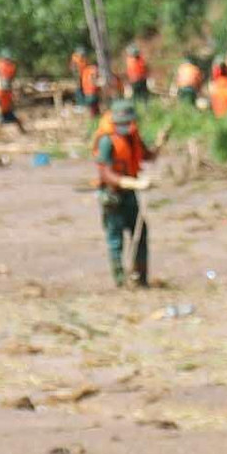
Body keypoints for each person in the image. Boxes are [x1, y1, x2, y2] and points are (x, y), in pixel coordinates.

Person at [93, 98, 158, 288]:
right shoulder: (107, 140)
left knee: (140, 232)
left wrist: (159, 145)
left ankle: (141, 277)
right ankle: (121, 281)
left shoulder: (133, 136)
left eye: (129, 122)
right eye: (122, 123)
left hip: (130, 195)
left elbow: (146, 156)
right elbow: (105, 173)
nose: (126, 126)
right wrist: (132, 183)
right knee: (115, 238)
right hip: (112, 195)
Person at [0, 50, 24, 132]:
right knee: (0, 121)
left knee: (16, 121)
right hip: (1, 108)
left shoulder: (6, 90)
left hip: (5, 108)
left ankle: (23, 133)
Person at [78, 53, 101, 117]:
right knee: (94, 109)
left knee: (92, 108)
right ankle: (95, 119)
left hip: (86, 92)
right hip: (92, 91)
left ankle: (94, 119)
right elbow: (94, 81)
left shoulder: (86, 70)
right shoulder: (94, 69)